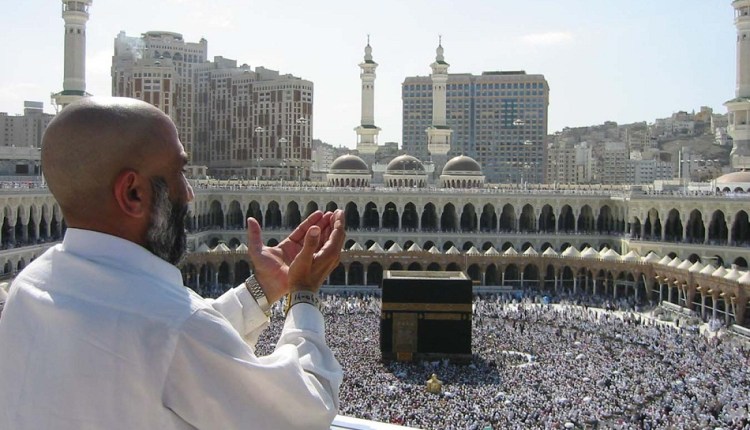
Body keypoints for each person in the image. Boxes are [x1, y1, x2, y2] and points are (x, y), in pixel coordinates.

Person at [0, 97, 346, 430]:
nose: (190, 192)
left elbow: (154, 348)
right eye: (179, 172)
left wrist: (262, 289)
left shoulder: (28, 287)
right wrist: (303, 293)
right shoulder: (174, 329)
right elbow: (305, 412)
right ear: (133, 193)